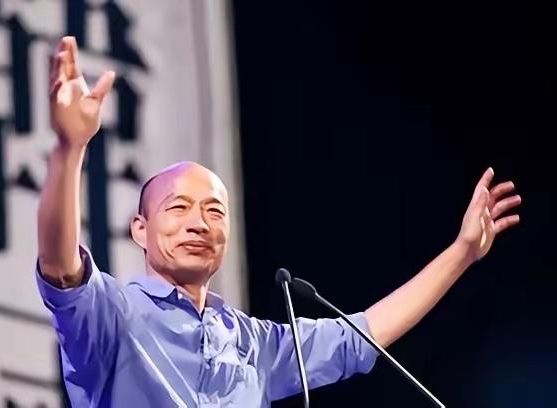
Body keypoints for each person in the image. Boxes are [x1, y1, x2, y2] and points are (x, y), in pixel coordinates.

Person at [35, 36, 522, 407]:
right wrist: (69, 148)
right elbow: (60, 265)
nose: (198, 223)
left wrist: (462, 252)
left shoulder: (254, 344)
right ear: (140, 229)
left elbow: (363, 335)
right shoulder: (111, 315)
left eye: (214, 211)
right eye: (178, 208)